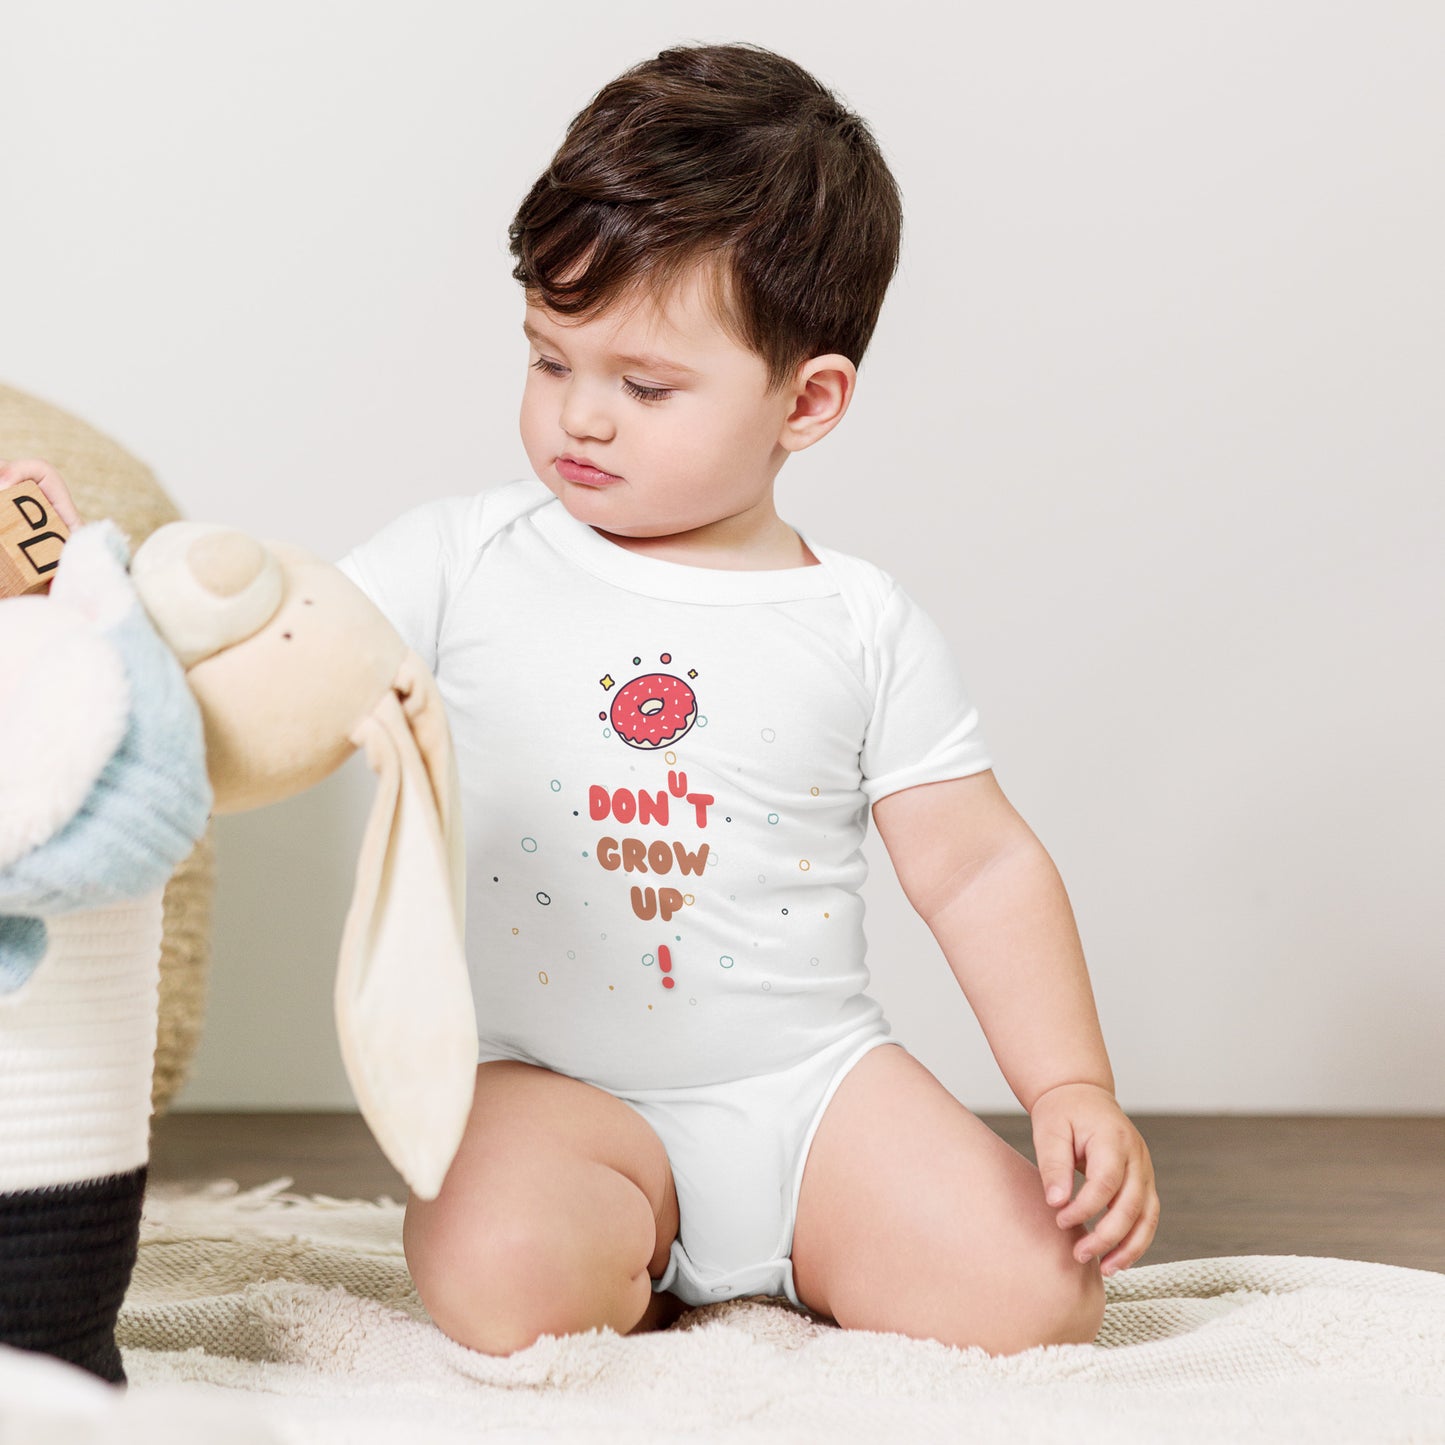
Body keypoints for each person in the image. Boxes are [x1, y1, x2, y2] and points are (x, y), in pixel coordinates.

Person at [7, 41, 1159, 1358]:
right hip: (558, 1090)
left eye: (645, 384)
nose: (580, 419)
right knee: (493, 1273)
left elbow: (976, 870)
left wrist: (1067, 1082)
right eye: (551, 360)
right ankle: (636, 1256)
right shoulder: (464, 560)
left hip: (809, 1089)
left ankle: (787, 1250)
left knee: (1038, 1296)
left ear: (809, 399)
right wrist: (98, 613)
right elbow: (288, 649)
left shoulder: (858, 621)